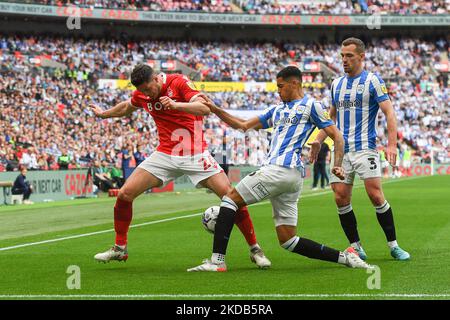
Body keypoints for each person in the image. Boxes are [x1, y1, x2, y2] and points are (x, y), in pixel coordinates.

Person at [188, 66, 372, 272]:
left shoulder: (311, 105)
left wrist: (337, 165)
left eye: (281, 86)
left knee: (230, 199)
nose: (278, 91)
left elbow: (338, 136)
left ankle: (217, 261)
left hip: (280, 169)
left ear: (295, 83)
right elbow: (242, 125)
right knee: (288, 239)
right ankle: (346, 258)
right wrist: (215, 109)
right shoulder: (277, 110)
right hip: (290, 179)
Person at [90, 63, 271, 268]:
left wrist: (176, 105)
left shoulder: (179, 82)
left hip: (194, 154)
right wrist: (104, 114)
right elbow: (127, 106)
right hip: (165, 154)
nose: (147, 95)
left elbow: (205, 108)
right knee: (124, 194)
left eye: (149, 89)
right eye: (142, 92)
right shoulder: (143, 94)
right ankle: (120, 248)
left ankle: (255, 249)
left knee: (232, 198)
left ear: (157, 78)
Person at [310, 38, 410, 261]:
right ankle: (356, 246)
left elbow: (389, 113)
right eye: (342, 56)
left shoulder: (373, 81)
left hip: (366, 147)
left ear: (361, 57)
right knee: (340, 198)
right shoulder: (337, 84)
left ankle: (393, 245)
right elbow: (331, 118)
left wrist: (392, 144)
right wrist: (317, 139)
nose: (344, 60)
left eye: (349, 56)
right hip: (341, 151)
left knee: (375, 194)